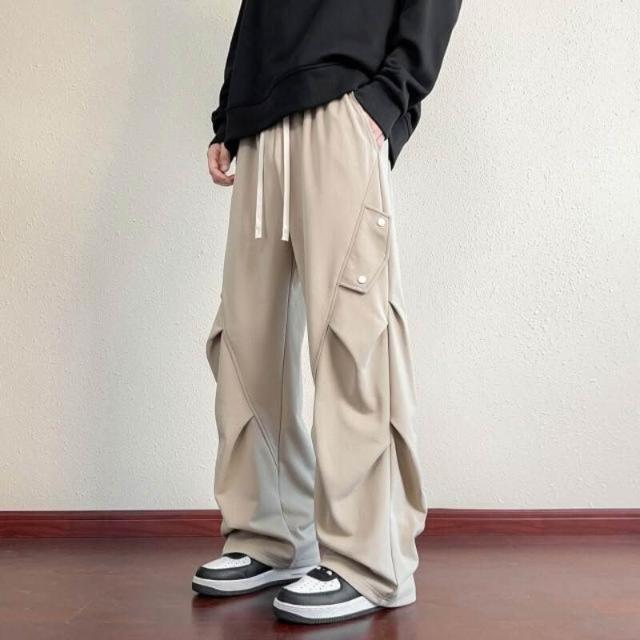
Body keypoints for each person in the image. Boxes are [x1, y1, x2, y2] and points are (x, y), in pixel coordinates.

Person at [192, 0, 462, 625]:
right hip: (261, 123)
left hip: (345, 103)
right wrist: (230, 115)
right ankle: (271, 536)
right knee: (246, 343)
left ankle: (370, 561)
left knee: (352, 335)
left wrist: (388, 98)